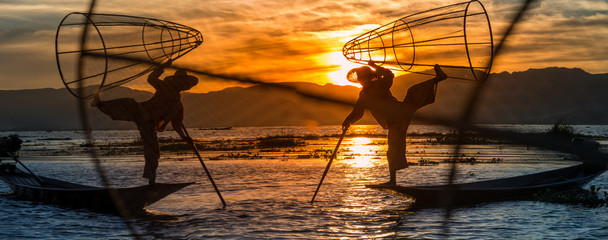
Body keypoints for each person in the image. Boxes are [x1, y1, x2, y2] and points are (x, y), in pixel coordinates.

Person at [342, 61, 447, 186]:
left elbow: (389, 74)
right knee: (393, 150)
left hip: (400, 112)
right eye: (359, 79)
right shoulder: (363, 94)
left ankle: (439, 78)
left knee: (413, 92)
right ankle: (394, 180)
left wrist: (374, 66)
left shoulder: (380, 84)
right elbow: (358, 112)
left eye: (362, 78)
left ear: (369, 77)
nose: (361, 81)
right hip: (393, 121)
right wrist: (347, 121)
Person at [92, 62, 198, 184]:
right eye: (181, 81)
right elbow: (151, 79)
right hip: (142, 112)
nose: (183, 85)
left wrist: (185, 137)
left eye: (184, 83)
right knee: (128, 103)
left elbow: (177, 124)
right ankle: (100, 105)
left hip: (149, 124)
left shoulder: (178, 105)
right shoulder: (164, 87)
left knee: (153, 151)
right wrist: (161, 68)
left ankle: (151, 181)